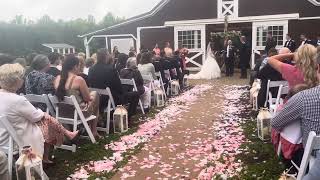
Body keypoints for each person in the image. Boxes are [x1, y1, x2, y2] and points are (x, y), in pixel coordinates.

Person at [0, 63, 78, 163]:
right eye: (21, 78)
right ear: (17, 81)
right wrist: (42, 113)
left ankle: (66, 136)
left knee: (45, 119)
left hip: (3, 137)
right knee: (46, 123)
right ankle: (47, 155)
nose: (23, 80)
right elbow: (36, 117)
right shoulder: (17, 100)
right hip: (18, 139)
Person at [271, 53, 320, 180]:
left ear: (318, 69)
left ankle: (288, 168)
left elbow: (276, 123)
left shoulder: (304, 97)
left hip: (311, 159)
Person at [54, 55, 100, 138]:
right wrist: (92, 97)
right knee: (95, 95)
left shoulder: (57, 78)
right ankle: (93, 130)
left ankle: (90, 130)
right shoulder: (78, 79)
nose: (79, 68)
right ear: (75, 66)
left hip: (61, 113)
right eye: (79, 66)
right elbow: (87, 98)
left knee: (92, 96)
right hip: (77, 114)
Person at [88, 49, 139, 118]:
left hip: (96, 99)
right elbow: (118, 87)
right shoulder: (110, 69)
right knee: (135, 94)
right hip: (110, 99)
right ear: (106, 56)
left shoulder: (91, 69)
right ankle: (128, 117)